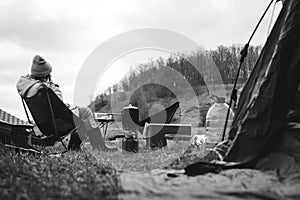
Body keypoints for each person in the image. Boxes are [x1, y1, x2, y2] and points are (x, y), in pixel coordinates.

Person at [16, 55, 117, 152]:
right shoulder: (46, 90)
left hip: (44, 126)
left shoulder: (28, 87)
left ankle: (80, 146)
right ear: (47, 75)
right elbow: (60, 110)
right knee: (85, 113)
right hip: (56, 125)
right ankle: (94, 146)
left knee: (82, 114)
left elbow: (55, 107)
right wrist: (54, 89)